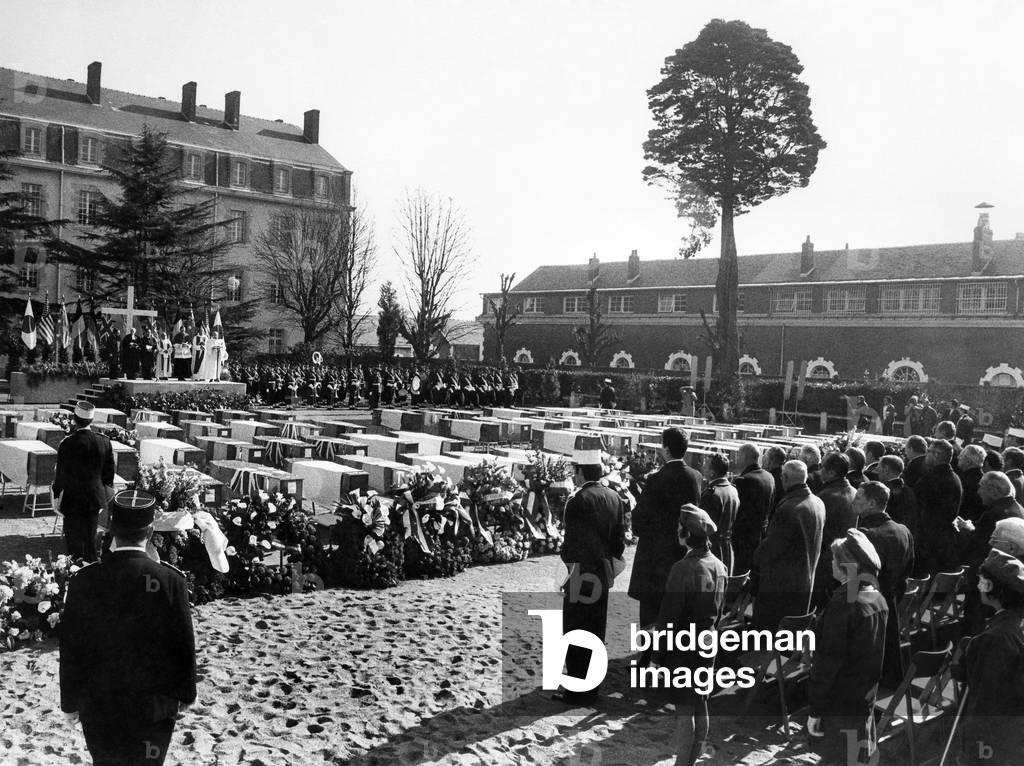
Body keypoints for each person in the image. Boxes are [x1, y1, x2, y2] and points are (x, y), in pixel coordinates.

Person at [59, 489, 197, 765]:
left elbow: (72, 647)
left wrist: (70, 703)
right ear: (149, 532)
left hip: (99, 706)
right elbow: (182, 644)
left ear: (112, 529)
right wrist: (185, 695)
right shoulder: (170, 581)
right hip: (153, 709)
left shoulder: (84, 581)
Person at [653, 505, 727, 766]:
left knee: (684, 711)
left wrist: (657, 657)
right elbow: (719, 611)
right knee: (700, 703)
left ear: (686, 533)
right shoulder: (719, 566)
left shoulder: (683, 568)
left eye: (679, 529)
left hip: (685, 646)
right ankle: (692, 760)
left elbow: (668, 618)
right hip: (709, 641)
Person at [807, 529, 888, 766]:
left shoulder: (844, 604)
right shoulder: (875, 598)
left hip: (839, 703)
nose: (831, 563)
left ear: (846, 566)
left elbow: (828, 661)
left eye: (834, 559)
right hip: (862, 699)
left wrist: (816, 709)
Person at [555, 451, 626, 706]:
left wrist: (565, 572)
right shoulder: (614, 497)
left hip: (580, 572)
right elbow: (619, 541)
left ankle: (576, 690)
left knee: (575, 629)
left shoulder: (578, 500)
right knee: (595, 629)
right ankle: (592, 688)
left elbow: (571, 545)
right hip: (602, 572)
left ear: (581, 472)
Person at [627, 427, 702, 661]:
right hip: (681, 550)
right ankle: (667, 657)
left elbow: (639, 518)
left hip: (655, 553)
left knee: (651, 608)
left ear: (666, 449)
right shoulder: (695, 476)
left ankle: (647, 657)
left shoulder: (657, 479)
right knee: (675, 607)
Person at [950, 549, 1024, 765]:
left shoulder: (995, 639)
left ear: (994, 589)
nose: (977, 585)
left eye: (982, 581)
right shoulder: (1013, 623)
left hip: (996, 739)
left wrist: (971, 750)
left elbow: (985, 701)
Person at [751, 460, 825, 631]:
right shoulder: (817, 502)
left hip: (781, 583)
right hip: (804, 579)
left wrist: (756, 558)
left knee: (768, 634)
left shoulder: (790, 508)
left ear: (784, 478)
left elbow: (772, 546)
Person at [854, 481, 914, 686]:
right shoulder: (903, 530)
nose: (854, 500)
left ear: (871, 503)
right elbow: (908, 568)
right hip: (891, 600)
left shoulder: (866, 534)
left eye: (859, 498)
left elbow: (854, 579)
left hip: (866, 606)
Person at [954, 471, 1024, 635]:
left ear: (993, 490)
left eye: (981, 487)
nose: (978, 492)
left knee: (977, 626)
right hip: (1005, 585)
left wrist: (967, 531)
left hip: (990, 584)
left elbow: (980, 546)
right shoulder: (1018, 508)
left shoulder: (994, 514)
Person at [52, 401, 116, 563]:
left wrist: (57, 494)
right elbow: (109, 476)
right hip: (94, 499)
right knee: (90, 540)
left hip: (72, 498)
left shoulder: (67, 443)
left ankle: (73, 575)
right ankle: (91, 575)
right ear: (91, 420)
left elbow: (61, 475)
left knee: (73, 543)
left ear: (74, 419)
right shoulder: (104, 442)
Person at [813, 453, 857, 607]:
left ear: (831, 473)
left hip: (828, 561)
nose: (819, 471)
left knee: (822, 606)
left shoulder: (826, 496)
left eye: (821, 467)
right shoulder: (854, 492)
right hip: (849, 558)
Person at [914, 439, 963, 575]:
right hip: (945, 542)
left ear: (936, 455)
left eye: (928, 451)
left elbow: (917, 511)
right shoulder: (955, 478)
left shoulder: (930, 480)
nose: (926, 454)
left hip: (928, 545)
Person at [732, 442, 775, 578]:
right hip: (762, 535)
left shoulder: (743, 481)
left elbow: (737, 513)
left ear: (745, 458)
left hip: (744, 538)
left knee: (740, 573)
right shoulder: (769, 477)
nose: (736, 459)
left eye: (738, 456)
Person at [699, 453, 738, 575]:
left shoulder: (712, 494)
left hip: (712, 550)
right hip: (727, 548)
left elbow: (704, 529)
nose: (702, 467)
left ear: (712, 472)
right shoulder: (732, 489)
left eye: (705, 465)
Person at [876, 455, 920, 551]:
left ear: (886, 469)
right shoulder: (909, 491)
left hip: (888, 543)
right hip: (905, 540)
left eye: (879, 466)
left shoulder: (885, 491)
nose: (876, 469)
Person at [957, 444, 987, 522]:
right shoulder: (984, 478)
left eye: (961, 455)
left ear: (968, 462)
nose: (958, 457)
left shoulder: (966, 480)